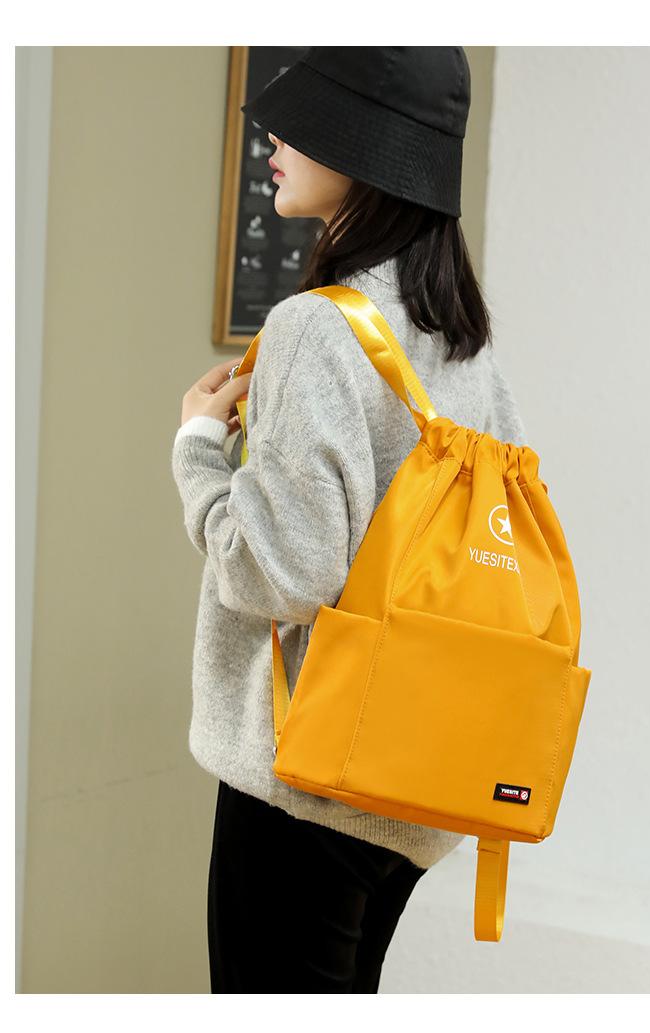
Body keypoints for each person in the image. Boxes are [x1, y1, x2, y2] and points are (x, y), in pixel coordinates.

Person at [171, 46, 528, 993]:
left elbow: (280, 573)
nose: (273, 137)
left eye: (306, 122)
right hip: (412, 789)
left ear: (364, 147)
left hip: (307, 785)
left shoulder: (316, 326)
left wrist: (199, 450)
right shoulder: (462, 341)